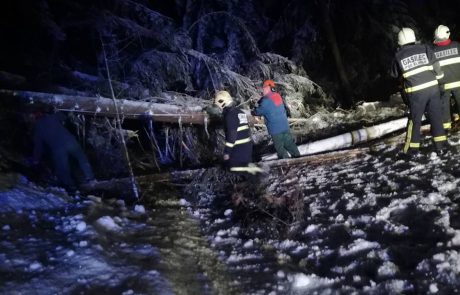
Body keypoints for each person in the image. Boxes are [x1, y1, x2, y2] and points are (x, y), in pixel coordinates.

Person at [391, 27, 447, 156]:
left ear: (399, 41)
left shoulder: (398, 56)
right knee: (436, 117)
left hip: (416, 93)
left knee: (415, 120)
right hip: (433, 88)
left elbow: (394, 75)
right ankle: (440, 147)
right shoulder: (425, 48)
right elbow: (436, 65)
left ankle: (411, 150)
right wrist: (438, 79)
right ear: (414, 38)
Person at [31, 111, 94, 192]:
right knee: (82, 158)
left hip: (58, 149)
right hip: (71, 141)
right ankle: (90, 178)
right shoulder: (52, 117)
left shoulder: (38, 128)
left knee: (63, 169)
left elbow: (38, 147)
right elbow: (64, 116)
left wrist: (36, 160)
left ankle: (71, 186)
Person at [213, 90, 262, 174]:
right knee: (245, 172)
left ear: (222, 103)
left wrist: (227, 152)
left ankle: (257, 175)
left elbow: (232, 136)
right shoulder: (240, 112)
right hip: (247, 148)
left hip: (238, 150)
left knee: (234, 171)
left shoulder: (230, 116)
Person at [251, 80, 300, 159]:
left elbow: (258, 111)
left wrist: (253, 111)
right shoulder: (277, 96)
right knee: (289, 144)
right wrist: (261, 100)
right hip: (284, 126)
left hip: (276, 130)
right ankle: (298, 158)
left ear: (268, 88)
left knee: (280, 149)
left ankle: (287, 164)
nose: (262, 90)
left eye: (264, 88)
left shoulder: (265, 101)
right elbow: (270, 105)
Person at [432, 25, 460, 132]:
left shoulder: (432, 51)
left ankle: (446, 126)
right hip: (459, 82)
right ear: (448, 34)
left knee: (444, 104)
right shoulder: (457, 46)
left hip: (443, 84)